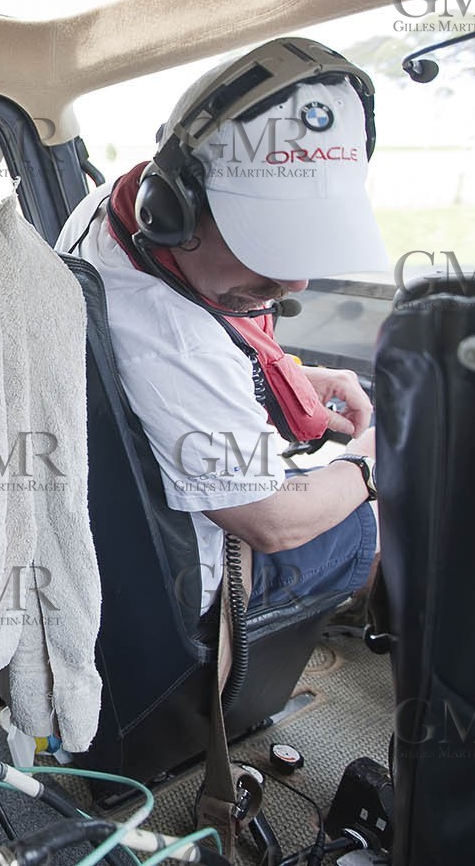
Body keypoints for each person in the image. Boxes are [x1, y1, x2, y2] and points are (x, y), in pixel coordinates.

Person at [56, 37, 385, 619]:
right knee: (397, 508)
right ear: (174, 209)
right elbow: (272, 522)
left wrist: (301, 376)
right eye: (266, 244)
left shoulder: (110, 208)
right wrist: (367, 462)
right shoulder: (172, 339)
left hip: (126, 533)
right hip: (212, 575)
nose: (297, 283)